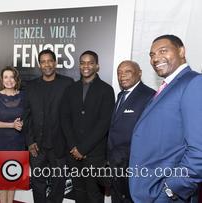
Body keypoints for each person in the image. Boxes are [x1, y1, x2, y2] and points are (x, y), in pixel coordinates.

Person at [129, 34, 202, 202]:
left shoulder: (194, 83)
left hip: (166, 194)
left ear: (181, 51)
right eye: (152, 55)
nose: (156, 58)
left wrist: (172, 189)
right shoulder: (167, 87)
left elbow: (199, 151)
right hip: (149, 187)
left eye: (163, 51)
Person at [61, 50, 115, 203]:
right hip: (73, 152)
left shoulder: (106, 90)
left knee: (94, 194)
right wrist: (73, 146)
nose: (86, 66)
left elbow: (104, 123)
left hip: (95, 154)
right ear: (79, 66)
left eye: (90, 63)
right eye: (83, 63)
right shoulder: (71, 89)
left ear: (97, 66)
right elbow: (64, 118)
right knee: (78, 191)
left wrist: (83, 149)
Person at [23, 49, 74, 203]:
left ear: (55, 63)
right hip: (37, 145)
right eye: (43, 61)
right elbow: (27, 115)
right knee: (38, 181)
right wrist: (30, 141)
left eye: (49, 61)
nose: (47, 64)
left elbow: (71, 115)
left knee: (58, 182)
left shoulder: (67, 83)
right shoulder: (31, 86)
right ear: (40, 65)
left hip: (59, 144)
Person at [107, 60, 155, 203]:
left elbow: (149, 135)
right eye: (119, 72)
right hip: (115, 164)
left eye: (127, 72)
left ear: (139, 73)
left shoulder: (149, 96)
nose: (122, 76)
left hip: (132, 166)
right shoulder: (121, 95)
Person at [0, 66, 24, 203]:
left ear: (16, 79)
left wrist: (23, 123)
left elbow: (29, 116)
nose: (9, 80)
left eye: (12, 77)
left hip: (18, 143)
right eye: (6, 77)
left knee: (13, 178)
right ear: (2, 79)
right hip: (1, 143)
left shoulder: (24, 96)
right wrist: (11, 125)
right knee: (2, 179)